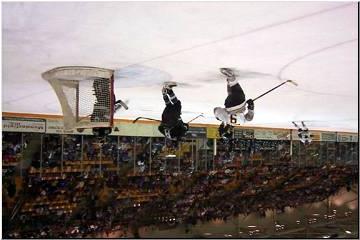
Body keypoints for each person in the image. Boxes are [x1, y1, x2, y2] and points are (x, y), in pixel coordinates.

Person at [214, 68, 254, 141]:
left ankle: (231, 79)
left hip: (240, 104)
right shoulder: (225, 119)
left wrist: (251, 108)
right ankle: (230, 79)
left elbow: (249, 118)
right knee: (231, 94)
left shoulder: (241, 123)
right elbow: (216, 109)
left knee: (235, 91)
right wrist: (217, 116)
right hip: (229, 104)